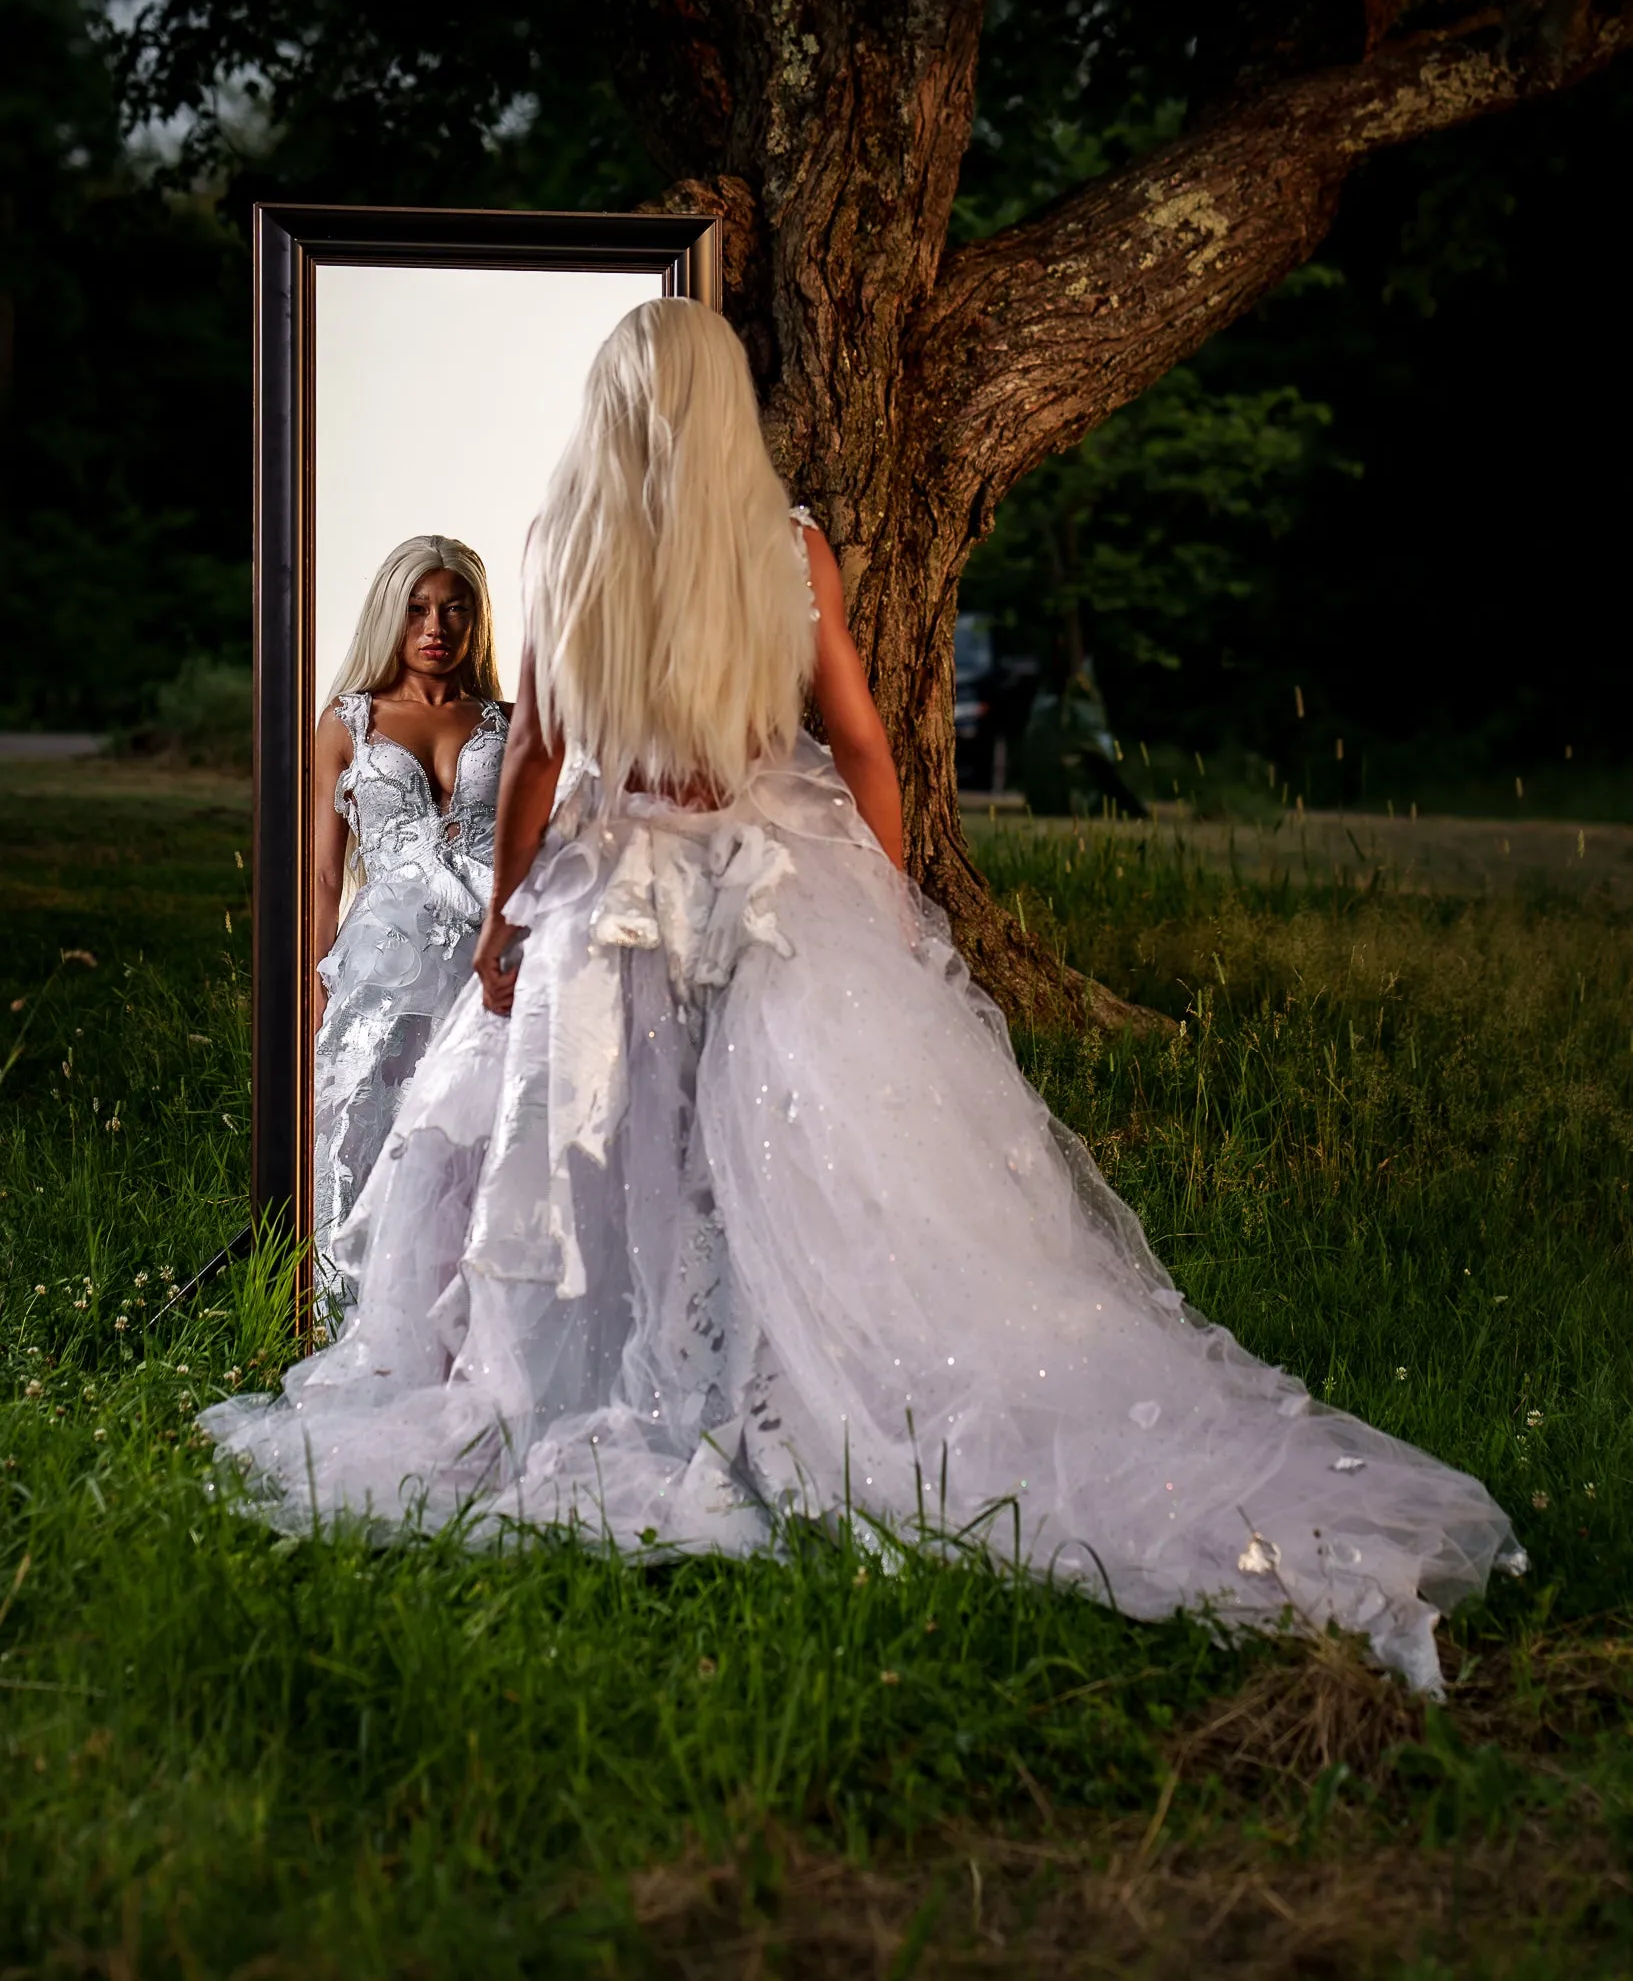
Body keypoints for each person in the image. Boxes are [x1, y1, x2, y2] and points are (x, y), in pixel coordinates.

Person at [206, 304, 1520, 1692]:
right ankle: (767, 1383)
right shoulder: (790, 548)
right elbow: (864, 737)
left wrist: (501, 918)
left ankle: (624, 1375)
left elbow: (535, 755)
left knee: (618, 1149)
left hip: (617, 886)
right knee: (791, 1152)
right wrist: (888, 900)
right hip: (775, 871)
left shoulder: (569, 544)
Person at [309, 535, 509, 1274]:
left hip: (487, 954)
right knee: (370, 1124)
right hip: (383, 960)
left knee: (477, 1131)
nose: (436, 627)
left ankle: (466, 1317)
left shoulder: (505, 722)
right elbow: (324, 874)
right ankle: (356, 1311)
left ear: (475, 620)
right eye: (418, 609)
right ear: (391, 615)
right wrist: (314, 980)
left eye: (455, 609)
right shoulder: (347, 723)